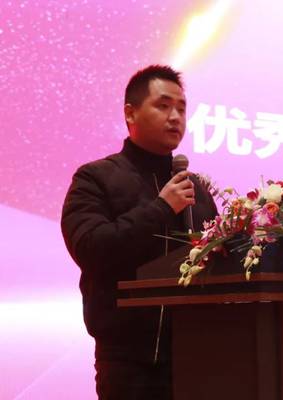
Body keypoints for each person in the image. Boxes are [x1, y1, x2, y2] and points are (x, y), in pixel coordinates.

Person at [61, 65, 217, 399]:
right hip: (128, 364)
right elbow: (91, 248)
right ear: (130, 113)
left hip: (200, 357)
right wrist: (161, 208)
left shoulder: (198, 190)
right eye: (163, 105)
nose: (175, 117)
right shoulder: (95, 178)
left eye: (181, 108)